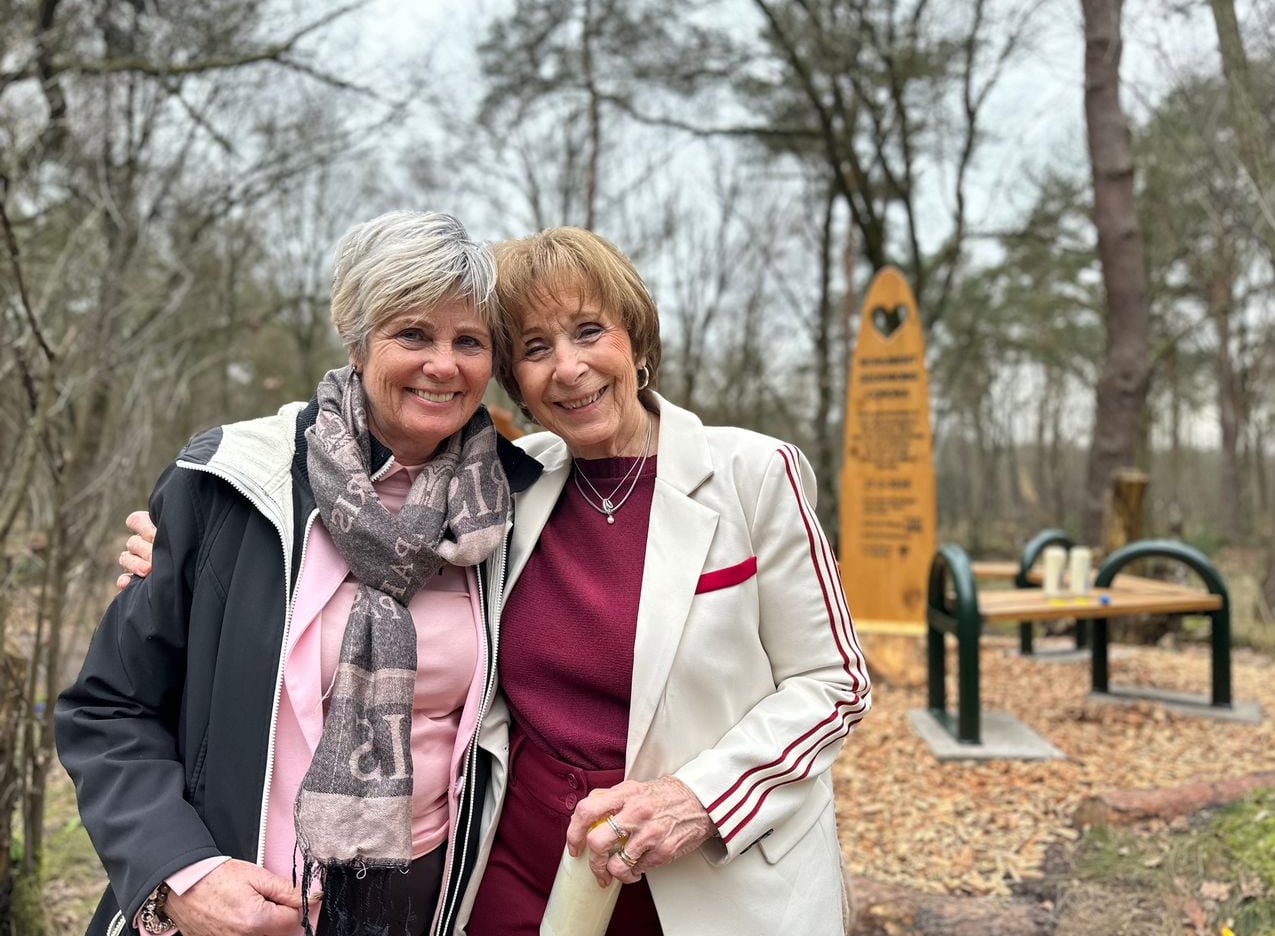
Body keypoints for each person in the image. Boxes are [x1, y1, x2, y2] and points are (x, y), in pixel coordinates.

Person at [115, 227, 871, 935]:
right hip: (521, 872)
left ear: (636, 341)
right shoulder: (509, 489)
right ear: (513, 382)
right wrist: (197, 553)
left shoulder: (751, 474)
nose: (568, 368)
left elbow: (834, 682)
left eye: (588, 331)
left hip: (706, 872)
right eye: (535, 348)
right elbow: (349, 500)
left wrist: (699, 800)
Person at [56, 211, 542, 936]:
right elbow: (108, 710)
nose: (444, 365)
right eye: (413, 334)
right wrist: (185, 874)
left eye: (467, 341)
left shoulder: (514, 507)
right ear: (356, 339)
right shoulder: (233, 485)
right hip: (244, 906)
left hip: (429, 906)